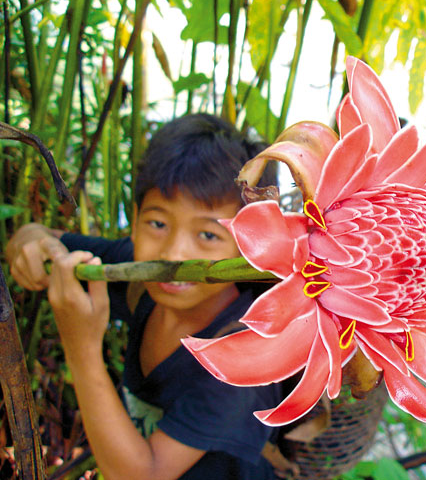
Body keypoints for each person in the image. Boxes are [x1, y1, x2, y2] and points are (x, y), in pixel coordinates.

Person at [5, 114, 281, 480]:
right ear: (135, 218)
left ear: (251, 246)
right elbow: (35, 233)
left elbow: (140, 475)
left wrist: (82, 348)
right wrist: (30, 248)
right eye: (157, 223)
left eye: (209, 235)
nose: (173, 252)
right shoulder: (139, 273)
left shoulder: (244, 359)